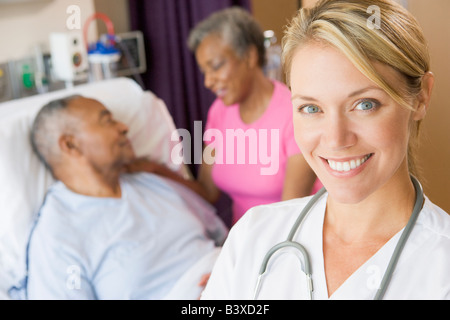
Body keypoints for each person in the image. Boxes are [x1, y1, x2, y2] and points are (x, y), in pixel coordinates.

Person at [201, 0, 450, 299]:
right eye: (311, 108)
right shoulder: (251, 238)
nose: (335, 139)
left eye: (365, 105)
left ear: (420, 98)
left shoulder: (441, 266)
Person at [22, 95, 227, 300]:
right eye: (108, 121)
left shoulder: (152, 182)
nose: (123, 127)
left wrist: (225, 277)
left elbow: (226, 238)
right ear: (70, 145)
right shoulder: (58, 238)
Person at [184, 7, 321, 224]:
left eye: (216, 66)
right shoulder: (219, 112)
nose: (208, 82)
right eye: (204, 71)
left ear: (249, 56)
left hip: (287, 240)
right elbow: (208, 192)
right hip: (244, 241)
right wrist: (155, 170)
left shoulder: (293, 114)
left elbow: (291, 215)